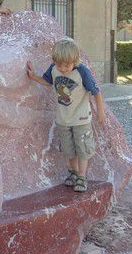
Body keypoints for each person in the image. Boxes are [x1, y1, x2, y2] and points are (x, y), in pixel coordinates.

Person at [26, 38, 105, 192]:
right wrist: (32, 76)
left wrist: (100, 111)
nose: (62, 69)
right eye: (59, 64)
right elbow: (47, 81)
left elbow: (96, 92)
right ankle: (74, 173)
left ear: (75, 60)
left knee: (82, 149)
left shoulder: (82, 72)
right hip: (63, 119)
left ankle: (82, 176)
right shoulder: (54, 69)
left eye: (67, 65)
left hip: (81, 119)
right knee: (68, 149)